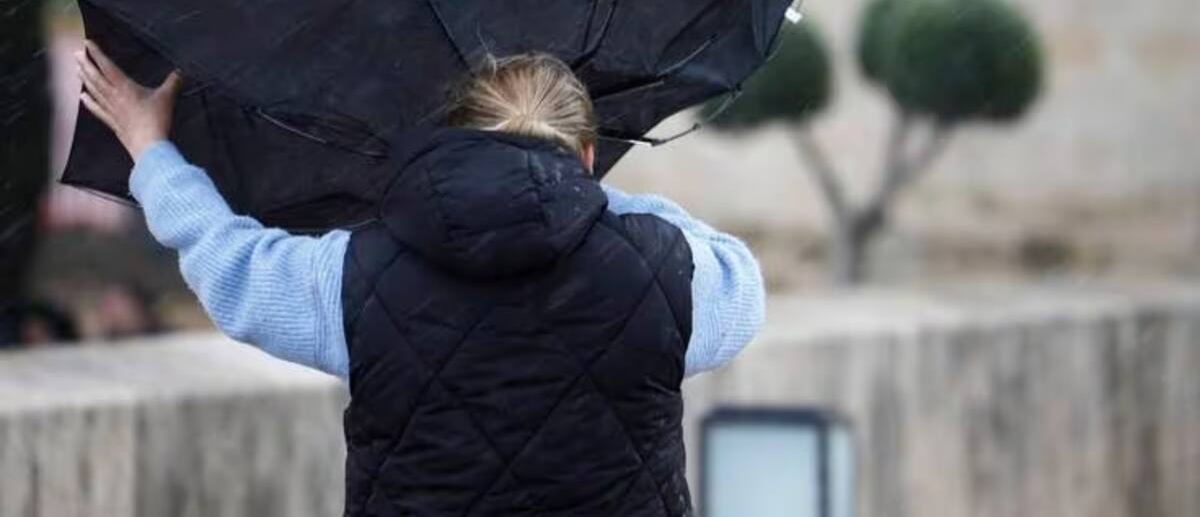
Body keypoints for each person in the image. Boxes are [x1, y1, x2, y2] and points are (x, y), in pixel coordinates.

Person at [76, 41, 765, 516]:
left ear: (453, 142)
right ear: (586, 154)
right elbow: (743, 287)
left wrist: (150, 149)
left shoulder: (355, 272)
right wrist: (596, 197)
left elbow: (231, 267)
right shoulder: (665, 272)